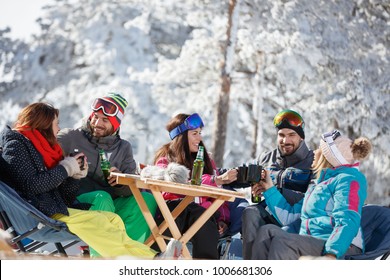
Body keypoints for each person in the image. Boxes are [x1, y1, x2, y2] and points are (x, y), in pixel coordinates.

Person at [0, 102, 181, 259]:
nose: (58, 129)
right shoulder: (16, 145)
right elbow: (32, 185)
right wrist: (65, 169)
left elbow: (61, 194)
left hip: (49, 208)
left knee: (112, 220)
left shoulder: (37, 147)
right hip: (37, 215)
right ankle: (151, 260)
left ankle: (146, 260)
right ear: (44, 125)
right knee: (100, 220)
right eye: (56, 124)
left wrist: (74, 176)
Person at [245, 129, 372, 259]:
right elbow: (290, 217)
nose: (315, 152)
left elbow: (348, 221)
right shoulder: (318, 184)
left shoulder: (349, 179)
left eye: (320, 149)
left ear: (327, 158)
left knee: (283, 243)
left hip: (341, 247)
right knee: (266, 233)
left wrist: (331, 254)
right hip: (312, 240)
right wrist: (269, 189)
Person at [57, 92, 157, 256]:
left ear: (116, 124)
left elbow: (131, 188)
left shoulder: (123, 148)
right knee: (102, 198)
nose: (97, 123)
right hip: (75, 202)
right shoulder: (70, 137)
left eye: (105, 120)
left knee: (146, 200)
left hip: (110, 204)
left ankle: (127, 257)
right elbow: (44, 157)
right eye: (95, 117)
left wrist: (119, 182)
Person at [153, 113, 238, 259]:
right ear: (181, 137)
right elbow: (166, 191)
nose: (199, 138)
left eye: (200, 133)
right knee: (198, 213)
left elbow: (219, 194)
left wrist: (222, 219)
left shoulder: (206, 161)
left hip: (201, 218)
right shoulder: (165, 162)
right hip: (173, 216)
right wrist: (214, 180)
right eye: (194, 134)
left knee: (205, 216)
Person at [241, 109, 314, 259]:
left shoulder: (314, 162)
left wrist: (274, 191)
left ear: (301, 137)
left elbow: (314, 198)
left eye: (291, 135)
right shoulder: (267, 158)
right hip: (270, 214)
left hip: (297, 219)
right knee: (250, 211)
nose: (285, 141)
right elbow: (241, 172)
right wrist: (218, 176)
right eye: (281, 135)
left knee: (278, 229)